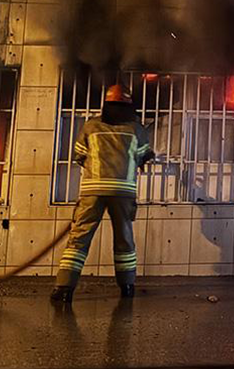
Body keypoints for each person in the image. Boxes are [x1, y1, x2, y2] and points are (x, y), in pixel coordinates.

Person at [50, 83, 155, 304]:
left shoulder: (91, 126)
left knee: (79, 238)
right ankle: (127, 286)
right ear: (129, 106)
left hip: (92, 190)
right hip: (123, 191)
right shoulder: (136, 129)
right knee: (124, 238)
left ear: (105, 105)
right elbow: (145, 156)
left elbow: (80, 155)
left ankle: (64, 289)